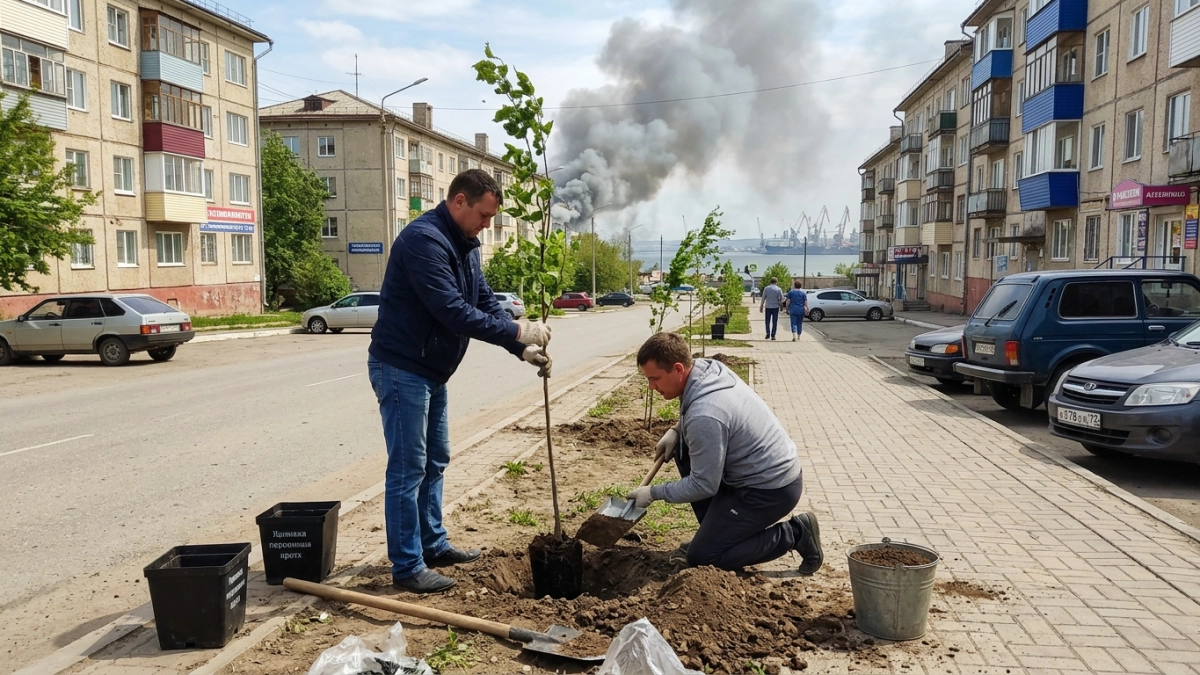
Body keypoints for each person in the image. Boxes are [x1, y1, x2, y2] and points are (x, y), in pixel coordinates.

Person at [368, 169, 553, 594]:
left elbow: (483, 301)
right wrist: (517, 333)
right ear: (459, 202)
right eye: (484, 216)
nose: (488, 225)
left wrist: (518, 345)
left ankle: (432, 544)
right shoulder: (424, 241)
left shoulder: (465, 244)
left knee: (436, 461)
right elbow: (451, 310)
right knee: (408, 468)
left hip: (431, 372)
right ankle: (407, 566)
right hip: (402, 368)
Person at [626, 333, 823, 574]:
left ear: (678, 368)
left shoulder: (705, 414)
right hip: (758, 473)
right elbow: (704, 413)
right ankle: (718, 534)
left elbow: (704, 485)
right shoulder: (708, 370)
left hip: (770, 490)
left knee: (703, 556)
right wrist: (676, 429)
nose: (651, 387)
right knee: (684, 450)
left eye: (655, 378)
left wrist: (654, 493)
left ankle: (796, 533)